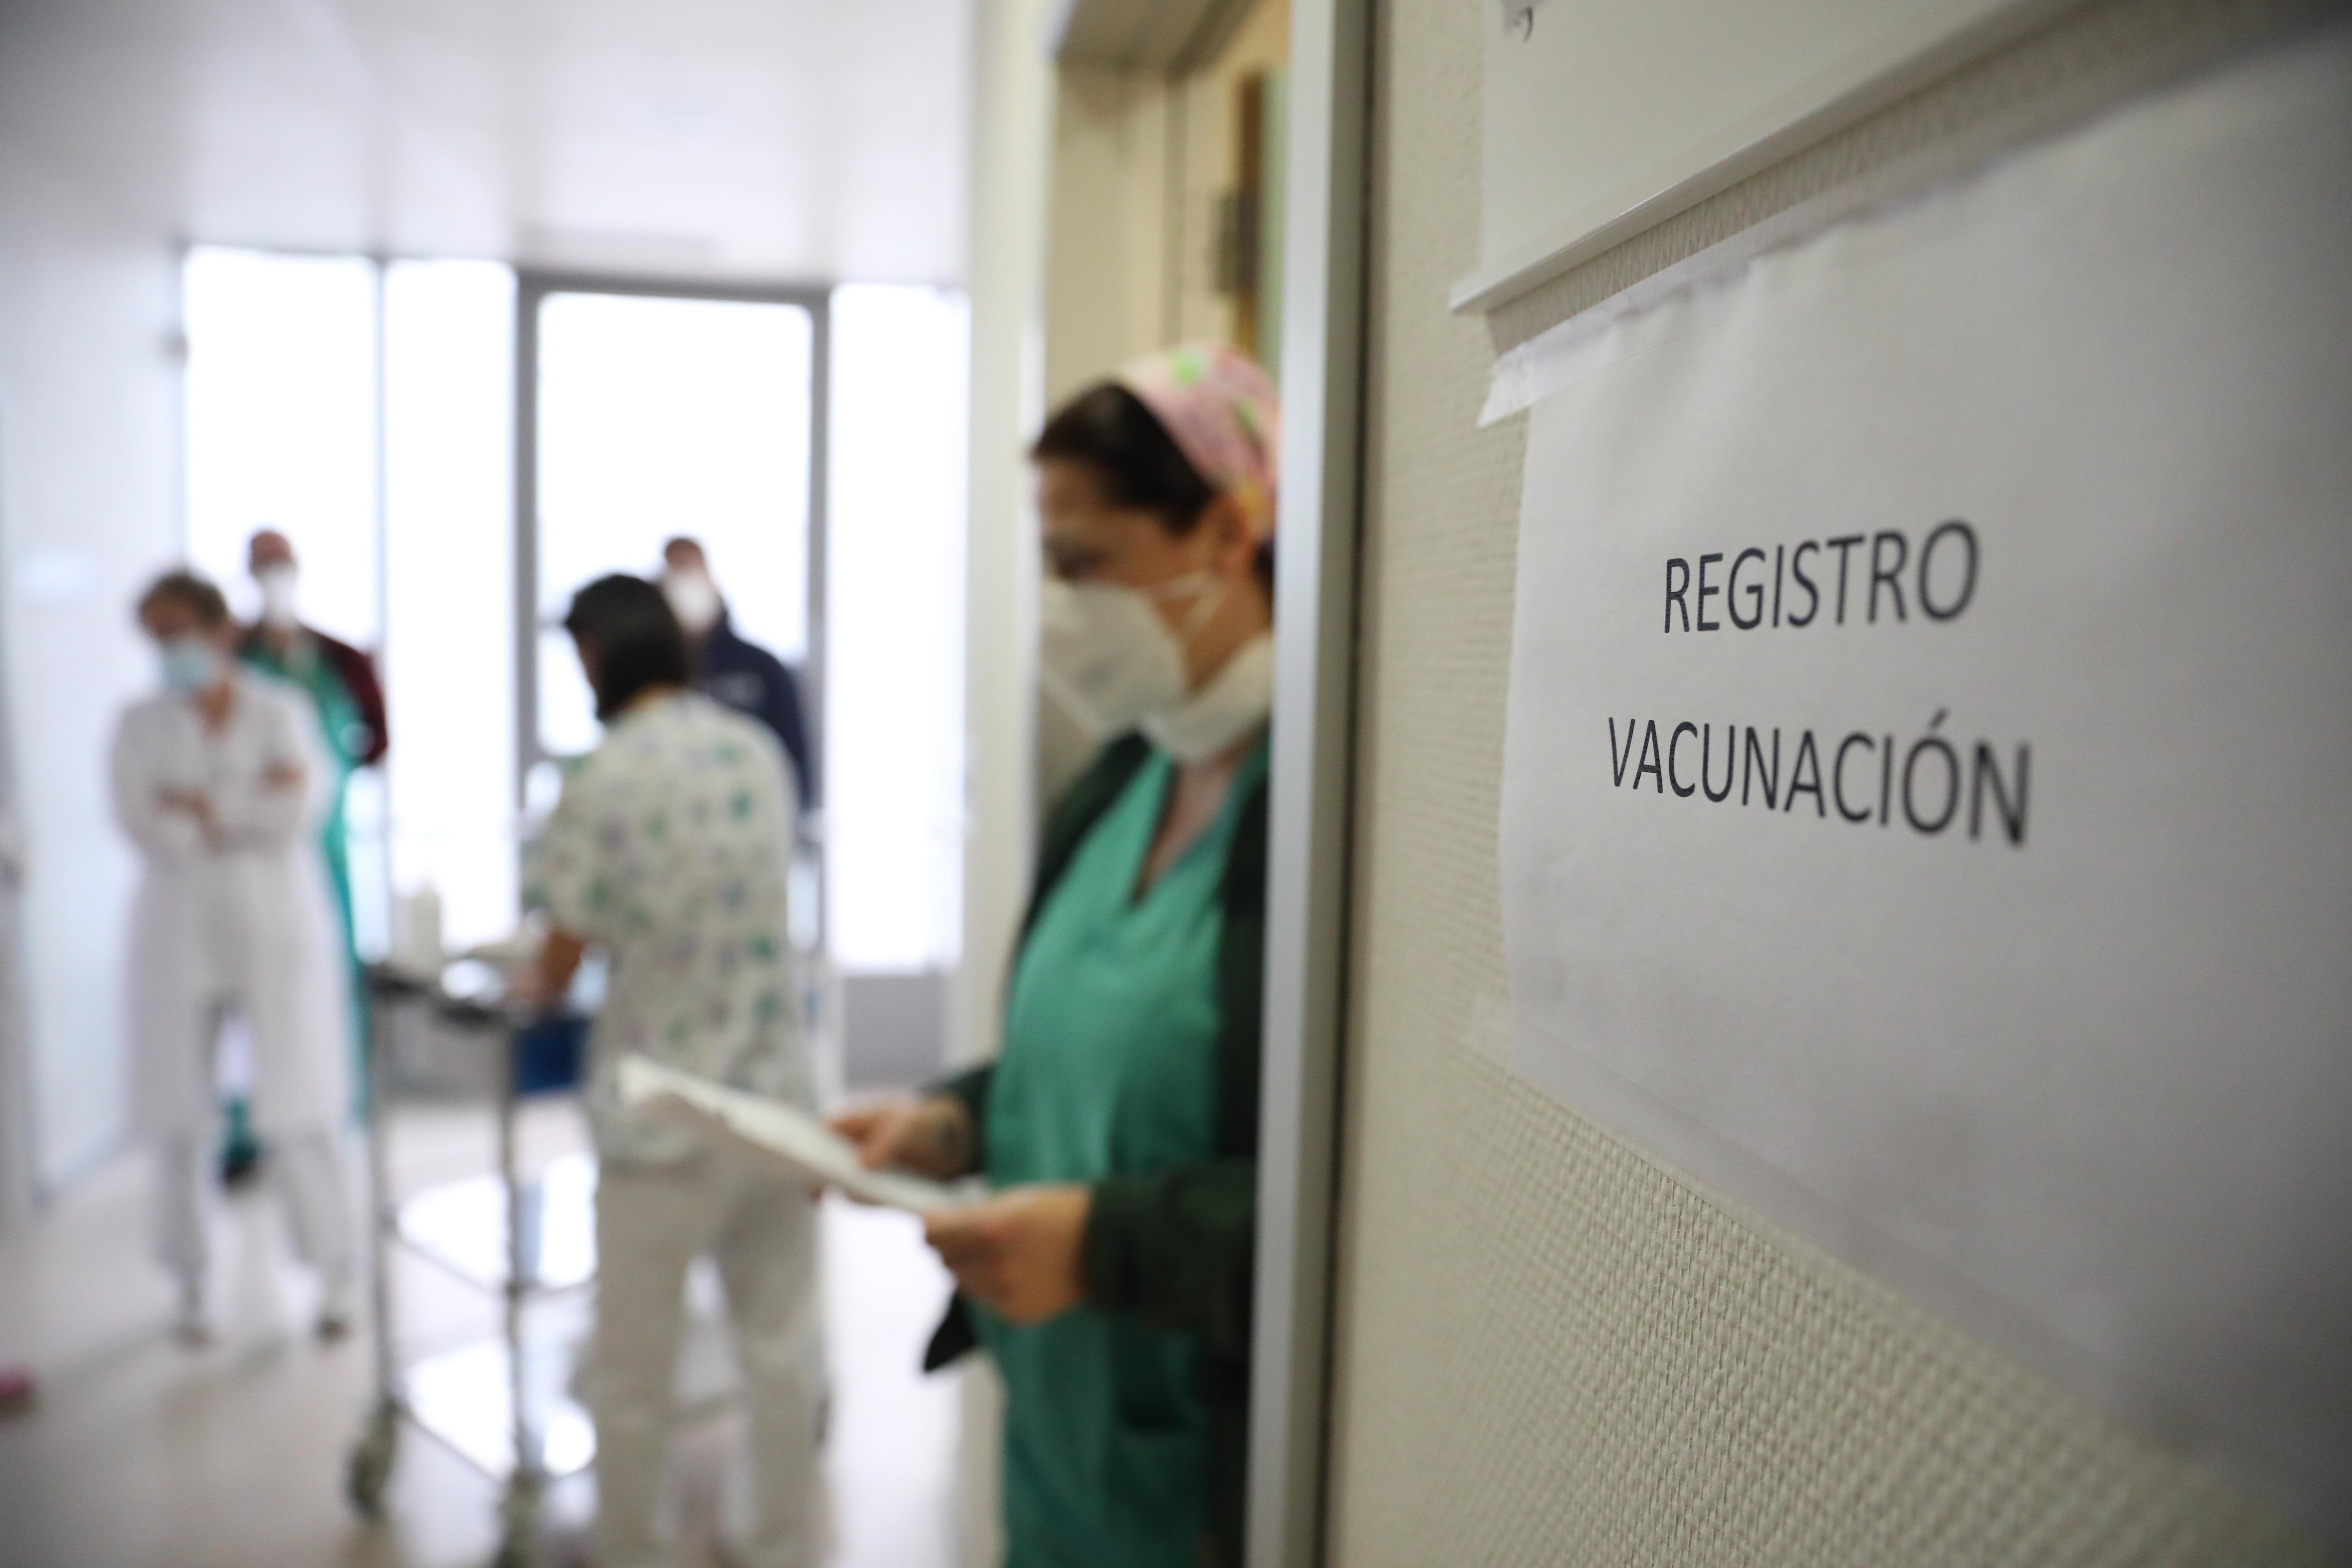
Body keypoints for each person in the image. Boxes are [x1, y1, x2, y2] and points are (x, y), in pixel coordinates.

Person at [833, 342, 1279, 1568]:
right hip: (1054, 1443)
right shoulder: (1121, 783)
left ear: (1229, 533)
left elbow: (1339, 1201)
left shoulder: (1310, 820)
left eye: (1086, 563)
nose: (1063, 606)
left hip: (1189, 1470)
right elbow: (1072, 1057)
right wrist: (950, 1122)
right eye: (1047, 564)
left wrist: (1099, 1243)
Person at [518, 574, 824, 1568]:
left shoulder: (600, 777)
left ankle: (630, 1548)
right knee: (777, 1349)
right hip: (773, 1101)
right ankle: (774, 1540)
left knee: (634, 1373)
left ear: (598, 656)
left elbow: (559, 955)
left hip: (661, 1118)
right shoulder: (756, 752)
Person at [111, 570, 357, 1343]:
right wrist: (243, 805)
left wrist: (205, 805)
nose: (168, 649)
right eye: (155, 635)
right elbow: (141, 819)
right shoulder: (137, 724)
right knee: (176, 1112)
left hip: (272, 923)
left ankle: (333, 1278)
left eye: (179, 629)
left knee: (300, 1103)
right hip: (178, 927)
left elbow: (299, 809)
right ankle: (188, 1284)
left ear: (220, 629)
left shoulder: (282, 709)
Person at [218, 528, 386, 1180]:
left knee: (329, 982)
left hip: (324, 852)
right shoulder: (235, 662)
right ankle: (248, 1127)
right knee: (245, 995)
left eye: (279, 563)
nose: (272, 575)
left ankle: (334, 1111)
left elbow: (364, 749)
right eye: (261, 565)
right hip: (240, 863)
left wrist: (275, 796)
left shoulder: (337, 658)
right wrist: (245, 804)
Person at [659, 537, 817, 817]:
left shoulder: (760, 667)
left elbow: (796, 755)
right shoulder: (650, 676)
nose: (684, 584)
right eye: (676, 573)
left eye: (691, 571)